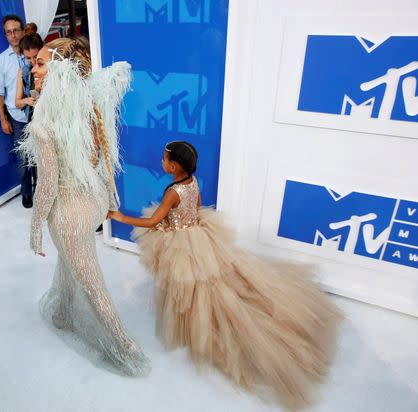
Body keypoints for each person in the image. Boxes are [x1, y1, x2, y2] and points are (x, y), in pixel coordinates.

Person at [108, 141, 342, 410]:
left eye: (164, 159)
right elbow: (194, 210)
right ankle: (193, 319)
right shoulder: (192, 182)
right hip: (197, 235)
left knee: (189, 284)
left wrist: (120, 218)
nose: (161, 162)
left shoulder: (173, 191)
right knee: (201, 283)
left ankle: (197, 327)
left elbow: (153, 221)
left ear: (173, 165)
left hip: (181, 242)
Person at [17, 37, 150, 376]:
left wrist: (35, 231)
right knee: (72, 261)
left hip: (70, 213)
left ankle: (125, 349)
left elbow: (46, 187)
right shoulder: (90, 100)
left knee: (92, 284)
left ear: (60, 69)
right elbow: (103, 156)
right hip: (93, 202)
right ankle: (62, 311)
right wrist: (110, 196)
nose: (33, 67)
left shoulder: (44, 124)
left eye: (41, 62)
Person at [0, 15, 33, 208]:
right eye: (9, 32)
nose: (13, 35)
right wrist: (3, 119)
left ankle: (42, 192)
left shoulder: (32, 53)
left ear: (23, 30)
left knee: (41, 157)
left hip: (38, 115)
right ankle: (27, 194)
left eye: (16, 30)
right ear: (5, 35)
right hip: (17, 118)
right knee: (22, 159)